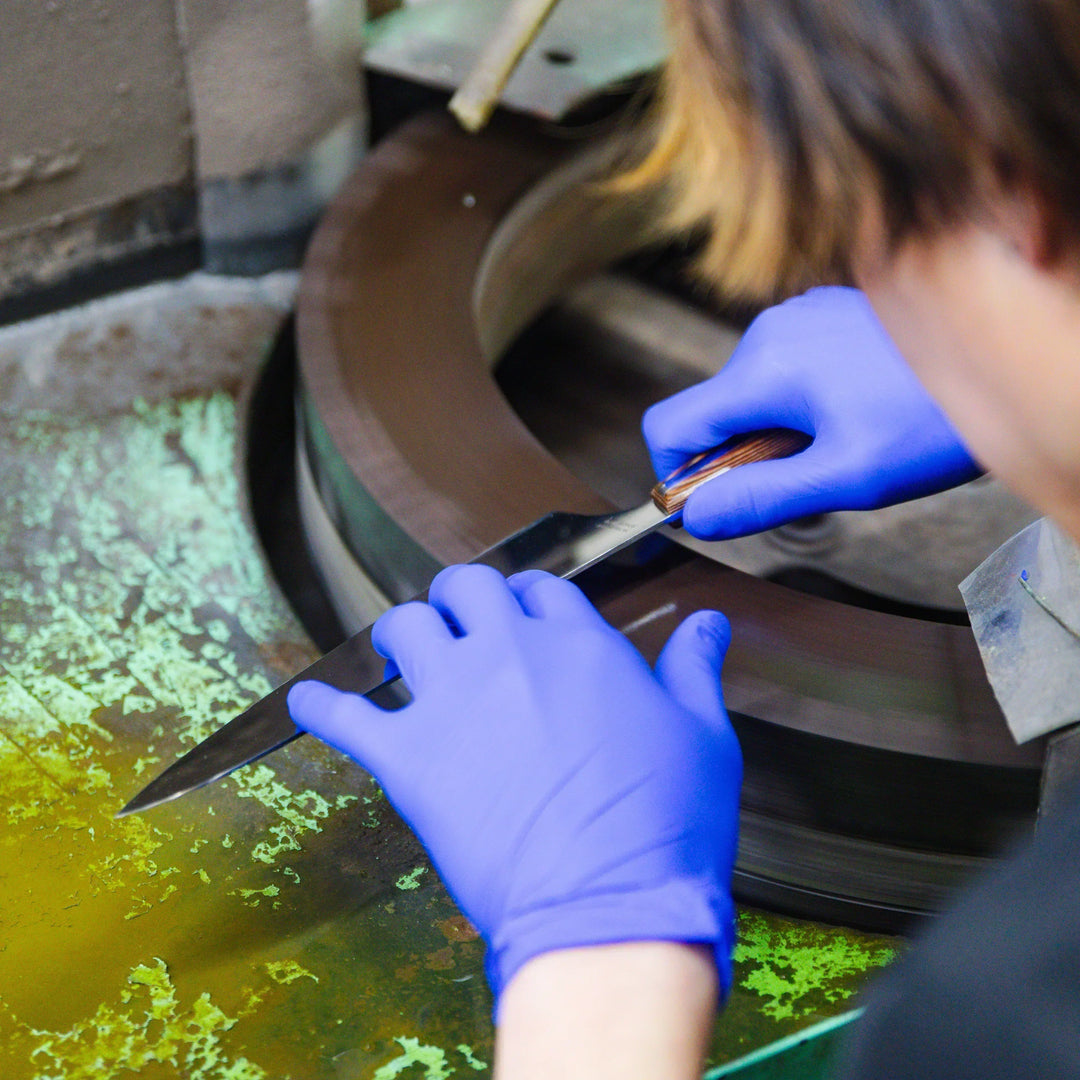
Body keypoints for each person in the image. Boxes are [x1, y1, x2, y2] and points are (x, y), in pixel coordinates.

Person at [287, 1, 1080, 1076]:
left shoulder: (1005, 1008)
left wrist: (603, 963)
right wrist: (1009, 359)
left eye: (872, 239)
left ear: (1012, 209)